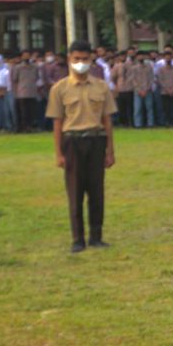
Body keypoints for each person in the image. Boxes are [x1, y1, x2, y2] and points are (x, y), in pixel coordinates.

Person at [47, 41, 117, 252]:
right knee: (75, 192)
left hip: (96, 140)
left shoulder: (101, 87)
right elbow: (57, 123)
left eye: (85, 59)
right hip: (72, 141)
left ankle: (96, 236)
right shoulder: (59, 89)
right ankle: (78, 239)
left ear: (91, 60)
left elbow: (107, 120)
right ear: (69, 60)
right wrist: (58, 153)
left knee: (97, 191)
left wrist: (110, 151)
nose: (80, 63)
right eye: (76, 59)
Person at [12, 53, 40, 133]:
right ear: (21, 57)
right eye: (25, 56)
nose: (26, 57)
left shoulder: (35, 67)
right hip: (22, 93)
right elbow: (15, 79)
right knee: (23, 112)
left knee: (32, 111)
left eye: (28, 55)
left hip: (32, 92)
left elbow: (37, 77)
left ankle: (30, 127)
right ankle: (23, 127)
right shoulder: (18, 68)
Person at [155, 51, 173, 127]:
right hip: (164, 91)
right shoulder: (161, 69)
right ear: (164, 59)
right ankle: (167, 122)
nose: (168, 59)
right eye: (166, 57)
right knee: (166, 108)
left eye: (169, 57)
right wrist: (167, 89)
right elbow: (160, 80)